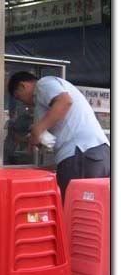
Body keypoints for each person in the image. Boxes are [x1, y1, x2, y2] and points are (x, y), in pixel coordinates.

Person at [8, 72, 110, 200]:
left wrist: (38, 129)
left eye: (18, 97)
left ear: (23, 86)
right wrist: (31, 138)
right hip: (99, 154)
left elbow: (65, 101)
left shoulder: (43, 84)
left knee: (74, 209)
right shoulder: (44, 101)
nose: (22, 102)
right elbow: (46, 134)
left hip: (80, 153)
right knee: (94, 210)